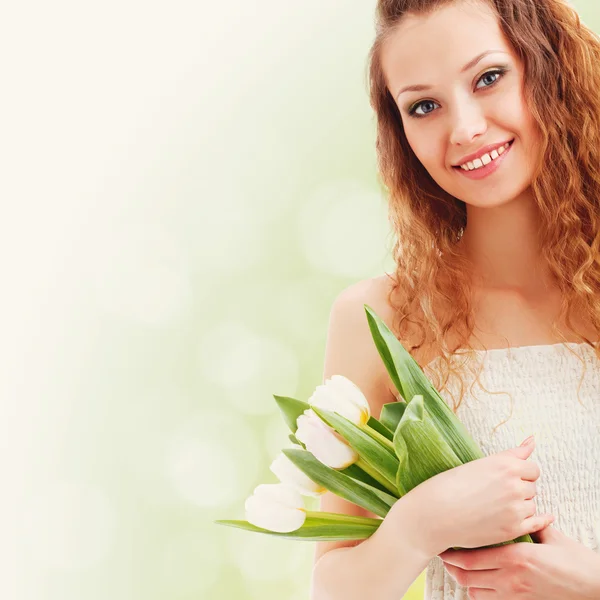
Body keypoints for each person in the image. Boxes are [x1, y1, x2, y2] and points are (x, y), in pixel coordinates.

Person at [309, 0, 600, 598]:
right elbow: (332, 589)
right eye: (424, 106)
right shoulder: (379, 320)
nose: (464, 128)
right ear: (400, 132)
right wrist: (419, 525)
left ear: (550, 70)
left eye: (488, 78)